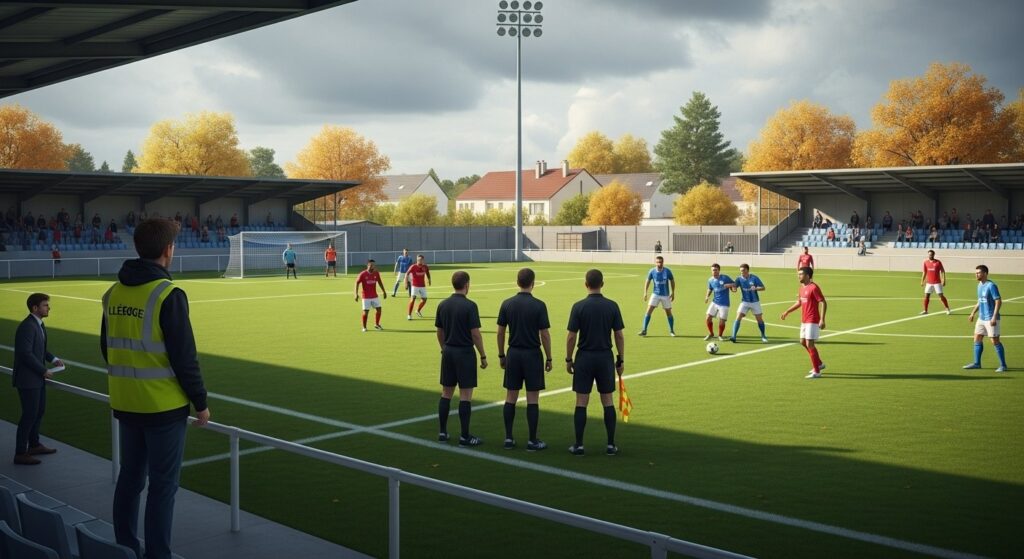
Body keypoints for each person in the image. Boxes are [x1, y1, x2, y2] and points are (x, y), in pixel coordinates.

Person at [101, 218, 210, 559]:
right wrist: (200, 402)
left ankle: (124, 548)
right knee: (162, 488)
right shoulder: (168, 294)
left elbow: (107, 347)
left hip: (125, 402)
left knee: (130, 479)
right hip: (163, 408)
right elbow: (184, 357)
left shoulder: (113, 292)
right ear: (168, 250)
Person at [566, 269, 625, 456]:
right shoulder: (612, 306)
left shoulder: (578, 306)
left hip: (584, 357)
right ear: (602, 283)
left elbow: (571, 336)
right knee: (607, 401)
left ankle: (579, 445)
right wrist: (620, 359)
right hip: (605, 357)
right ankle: (610, 445)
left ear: (586, 284)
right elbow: (619, 335)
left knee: (581, 401)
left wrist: (569, 359)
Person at [496, 268, 552, 451]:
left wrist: (501, 355)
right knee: (532, 398)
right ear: (533, 283)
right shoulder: (539, 305)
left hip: (513, 354)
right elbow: (544, 334)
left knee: (510, 396)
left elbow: (500, 332)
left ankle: (508, 438)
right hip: (532, 355)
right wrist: (549, 357)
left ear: (517, 282)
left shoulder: (507, 304)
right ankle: (532, 440)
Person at [435, 271, 488, 446]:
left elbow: (439, 331)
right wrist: (482, 355)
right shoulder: (470, 306)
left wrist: (444, 348)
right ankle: (465, 436)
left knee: (446, 393)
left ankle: (442, 432)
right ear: (466, 285)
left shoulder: (443, 304)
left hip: (448, 352)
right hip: (465, 353)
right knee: (465, 395)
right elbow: (475, 334)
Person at [12, 293, 64, 465]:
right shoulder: (28, 326)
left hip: (36, 379)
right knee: (29, 415)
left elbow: (40, 349)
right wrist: (43, 370)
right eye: (45, 305)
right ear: (35, 308)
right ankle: (20, 453)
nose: (48, 308)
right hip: (28, 380)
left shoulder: (38, 325)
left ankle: (34, 445)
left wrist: (53, 359)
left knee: (38, 412)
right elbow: (25, 353)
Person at [780, 267, 827, 378]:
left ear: (807, 276)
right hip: (804, 320)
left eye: (800, 274)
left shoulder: (814, 287)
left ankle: (817, 371)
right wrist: (787, 311)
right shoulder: (801, 288)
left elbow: (823, 302)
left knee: (809, 344)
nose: (798, 276)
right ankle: (819, 363)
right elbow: (799, 302)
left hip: (813, 319)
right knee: (802, 342)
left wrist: (822, 319)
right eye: (798, 274)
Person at [963, 265, 1008, 373]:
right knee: (977, 338)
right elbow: (980, 301)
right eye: (976, 273)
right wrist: (973, 313)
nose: (976, 274)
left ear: (985, 274)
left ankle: (1003, 365)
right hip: (981, 318)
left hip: (991, 318)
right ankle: (977, 363)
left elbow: (998, 301)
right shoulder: (979, 285)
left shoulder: (991, 286)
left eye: (978, 273)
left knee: (994, 341)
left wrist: (994, 317)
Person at [638, 255, 675, 337]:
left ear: (663, 262)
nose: (659, 264)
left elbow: (672, 281)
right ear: (655, 263)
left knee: (668, 313)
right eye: (658, 262)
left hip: (665, 295)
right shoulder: (652, 271)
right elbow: (647, 281)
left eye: (661, 262)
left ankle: (672, 331)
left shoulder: (667, 271)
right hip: (655, 294)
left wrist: (673, 292)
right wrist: (645, 292)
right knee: (648, 311)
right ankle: (644, 330)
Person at [730, 264, 767, 343]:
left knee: (759, 319)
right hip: (745, 302)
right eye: (740, 271)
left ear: (747, 270)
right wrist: (733, 289)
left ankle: (763, 335)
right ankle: (733, 336)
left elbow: (763, 288)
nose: (741, 272)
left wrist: (756, 288)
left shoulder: (754, 278)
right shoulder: (739, 279)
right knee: (738, 316)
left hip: (755, 302)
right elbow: (734, 288)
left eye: (743, 270)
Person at [703, 264, 735, 342]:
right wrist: (707, 297)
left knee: (722, 321)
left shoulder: (725, 277)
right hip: (715, 302)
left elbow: (734, 285)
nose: (714, 271)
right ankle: (711, 334)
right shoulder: (710, 280)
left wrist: (730, 286)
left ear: (719, 270)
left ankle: (720, 336)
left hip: (724, 303)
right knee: (708, 318)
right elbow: (710, 289)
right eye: (713, 270)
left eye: (716, 270)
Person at [354, 259, 387, 332]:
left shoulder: (376, 273)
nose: (373, 266)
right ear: (368, 265)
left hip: (375, 296)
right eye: (371, 265)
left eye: (374, 265)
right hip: (366, 297)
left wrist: (384, 291)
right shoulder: (363, 274)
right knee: (366, 312)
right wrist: (356, 294)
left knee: (379, 309)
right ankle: (364, 327)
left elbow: (380, 282)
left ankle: (377, 324)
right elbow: (357, 283)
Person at [920, 250, 951, 315]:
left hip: (937, 282)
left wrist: (943, 280)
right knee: (926, 296)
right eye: (929, 254)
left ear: (934, 255)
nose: (930, 256)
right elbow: (924, 272)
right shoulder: (926, 262)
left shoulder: (938, 262)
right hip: (929, 283)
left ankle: (947, 308)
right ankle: (925, 310)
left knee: (941, 296)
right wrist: (922, 281)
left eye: (931, 254)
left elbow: (942, 271)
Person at [406, 254, 432, 319]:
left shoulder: (425, 267)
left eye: (420, 260)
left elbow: (427, 273)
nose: (419, 261)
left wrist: (429, 279)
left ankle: (418, 310)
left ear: (423, 260)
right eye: (418, 260)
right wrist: (406, 283)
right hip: (414, 286)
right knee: (412, 300)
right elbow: (407, 273)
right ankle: (409, 315)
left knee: (424, 300)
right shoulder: (413, 267)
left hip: (422, 286)